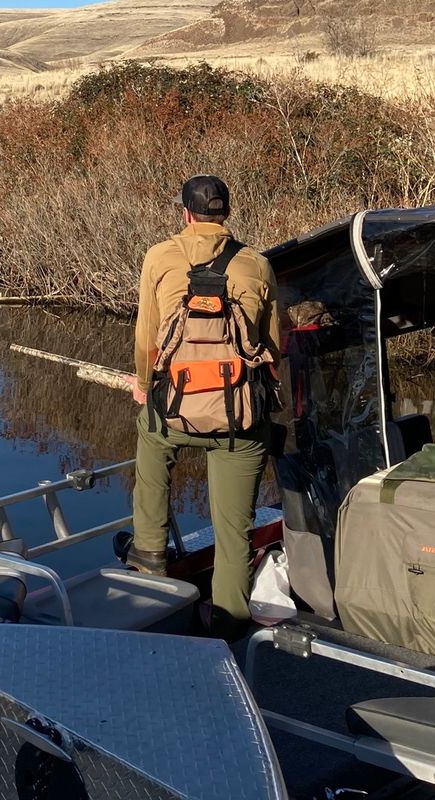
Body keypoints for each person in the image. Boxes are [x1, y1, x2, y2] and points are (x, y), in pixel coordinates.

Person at [128, 174, 280, 640]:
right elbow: (273, 345)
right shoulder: (257, 263)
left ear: (186, 214)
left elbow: (146, 336)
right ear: (225, 214)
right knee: (234, 530)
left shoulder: (160, 256)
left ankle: (151, 560)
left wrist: (143, 384)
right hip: (239, 419)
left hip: (174, 407)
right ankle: (228, 625)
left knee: (151, 442)